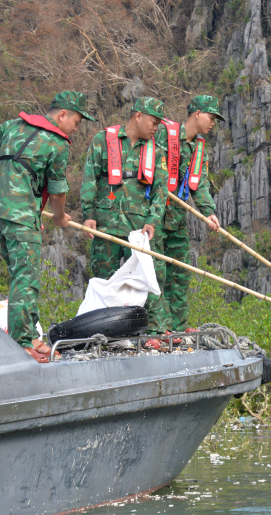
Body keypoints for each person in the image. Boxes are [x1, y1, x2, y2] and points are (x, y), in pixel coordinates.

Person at [0, 91, 96, 363]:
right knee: (26, 279)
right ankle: (23, 341)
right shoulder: (57, 143)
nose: (77, 127)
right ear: (62, 115)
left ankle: (30, 334)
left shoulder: (13, 125)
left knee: (21, 275)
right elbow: (58, 189)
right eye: (76, 121)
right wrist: (60, 217)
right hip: (22, 215)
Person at [79, 96, 169, 344]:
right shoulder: (102, 140)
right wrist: (88, 215)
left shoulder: (155, 151)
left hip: (137, 229)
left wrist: (153, 220)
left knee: (146, 281)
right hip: (105, 226)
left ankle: (153, 335)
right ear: (138, 116)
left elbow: (161, 190)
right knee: (103, 281)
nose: (156, 128)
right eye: (153, 122)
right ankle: (99, 335)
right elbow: (89, 178)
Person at [153, 95, 224, 333]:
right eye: (211, 117)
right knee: (156, 274)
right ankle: (159, 328)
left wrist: (209, 212)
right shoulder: (166, 134)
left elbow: (199, 184)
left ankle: (178, 327)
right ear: (197, 114)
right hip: (154, 216)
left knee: (181, 274)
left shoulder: (199, 147)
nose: (213, 122)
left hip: (177, 218)